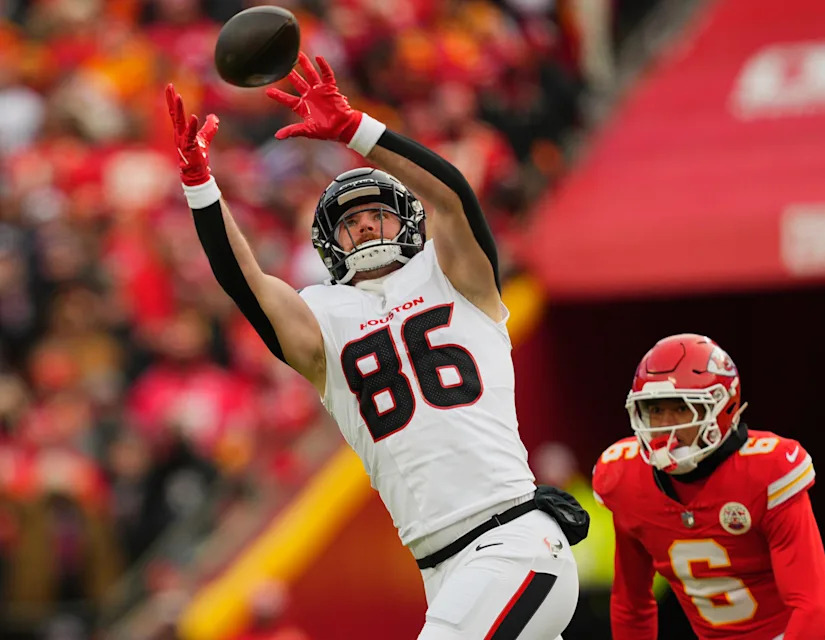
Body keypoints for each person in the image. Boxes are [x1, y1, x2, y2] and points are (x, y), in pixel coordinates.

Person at [164, 51, 584, 639]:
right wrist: (201, 188)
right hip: (443, 566)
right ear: (327, 244)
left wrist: (356, 130)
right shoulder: (323, 320)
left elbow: (454, 195)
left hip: (510, 539)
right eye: (349, 220)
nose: (362, 224)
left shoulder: (455, 277)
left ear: (407, 220)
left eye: (376, 213)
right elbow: (247, 283)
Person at [592, 333, 825, 639]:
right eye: (655, 410)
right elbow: (631, 605)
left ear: (721, 407)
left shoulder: (766, 471)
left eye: (680, 408)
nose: (665, 425)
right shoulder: (624, 477)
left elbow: (811, 609)